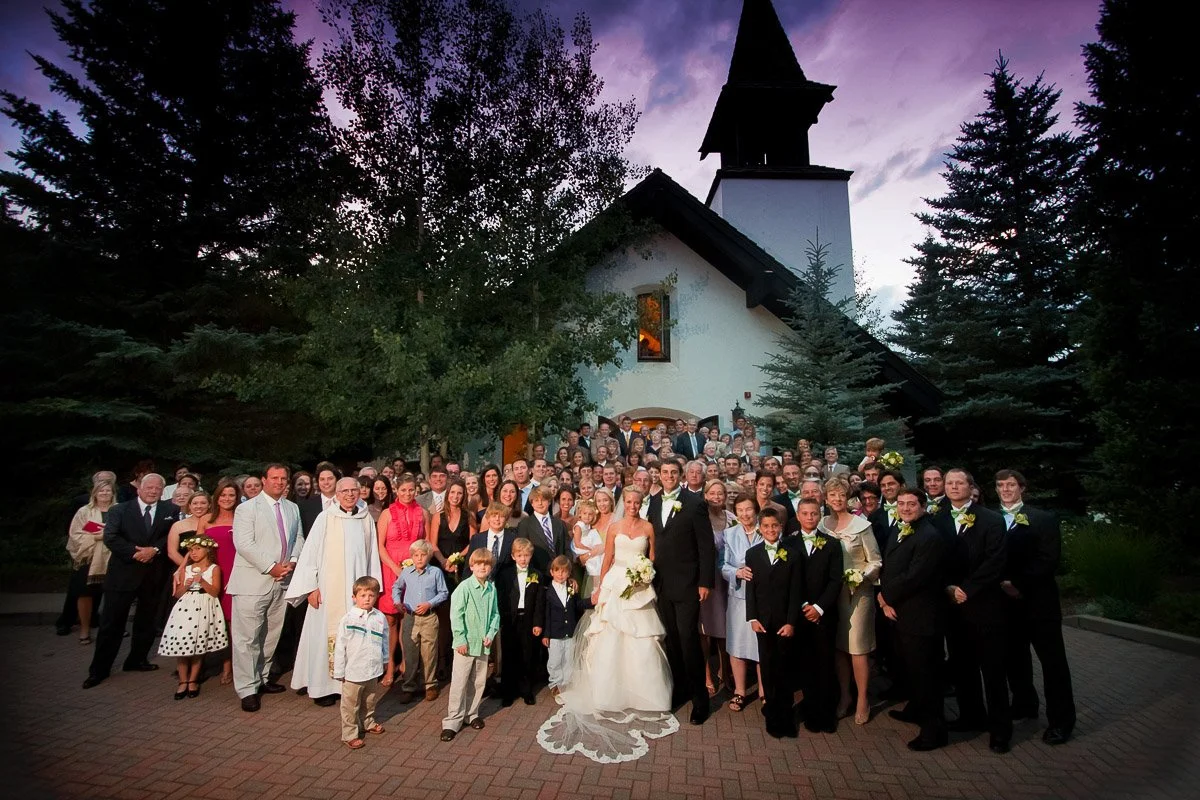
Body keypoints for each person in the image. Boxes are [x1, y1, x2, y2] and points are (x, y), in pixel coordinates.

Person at [995, 469, 1076, 745]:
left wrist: (1017, 583)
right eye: (1001, 485)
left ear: (1022, 488)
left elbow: (1048, 559)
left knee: (1053, 664)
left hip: (1039, 603)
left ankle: (1061, 721)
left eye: (1011, 485)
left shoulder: (1043, 519)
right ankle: (1024, 704)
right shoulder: (991, 519)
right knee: (1015, 660)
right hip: (1006, 605)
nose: (1006, 490)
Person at [286, 477, 383, 706]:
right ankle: (322, 687)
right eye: (345, 491)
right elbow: (310, 553)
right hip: (328, 590)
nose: (350, 494)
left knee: (354, 635)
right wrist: (311, 586)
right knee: (325, 635)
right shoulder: (326, 517)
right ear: (337, 494)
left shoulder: (365, 518)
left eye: (354, 490)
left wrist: (373, 588)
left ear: (360, 493)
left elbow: (371, 555)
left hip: (357, 592)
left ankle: (347, 684)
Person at [934, 468, 1012, 754]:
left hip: (984, 605)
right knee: (962, 666)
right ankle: (971, 716)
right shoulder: (937, 520)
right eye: (949, 483)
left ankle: (1000, 730)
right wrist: (948, 588)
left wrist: (968, 588)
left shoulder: (991, 519)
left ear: (970, 487)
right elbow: (934, 560)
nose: (953, 487)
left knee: (992, 669)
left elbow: (995, 560)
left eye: (959, 482)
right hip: (952, 606)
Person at [83, 473, 178, 689]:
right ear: (139, 489)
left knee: (146, 622)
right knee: (111, 624)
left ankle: (136, 660)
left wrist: (154, 550)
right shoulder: (120, 510)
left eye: (157, 488)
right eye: (149, 487)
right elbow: (111, 537)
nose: (153, 491)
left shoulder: (169, 511)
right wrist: (135, 553)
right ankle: (99, 670)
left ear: (163, 491)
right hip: (123, 575)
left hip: (152, 577)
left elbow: (171, 537)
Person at [227, 464, 303, 711]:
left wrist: (292, 562)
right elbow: (244, 543)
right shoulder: (247, 508)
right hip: (253, 581)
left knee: (271, 634)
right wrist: (271, 567)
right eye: (274, 478)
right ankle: (247, 689)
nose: (279, 482)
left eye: (283, 478)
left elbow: (298, 538)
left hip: (282, 581)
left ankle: (262, 678)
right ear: (264, 480)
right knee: (247, 638)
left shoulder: (291, 507)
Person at [879, 487, 949, 751]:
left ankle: (934, 730)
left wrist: (885, 596)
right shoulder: (901, 528)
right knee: (911, 669)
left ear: (923, 506)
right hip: (901, 612)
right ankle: (915, 708)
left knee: (926, 673)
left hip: (920, 615)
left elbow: (915, 576)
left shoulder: (929, 536)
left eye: (911, 504)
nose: (905, 508)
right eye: (901, 503)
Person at [647, 459, 714, 725]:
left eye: (674, 472)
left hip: (687, 584)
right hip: (661, 584)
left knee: (688, 640)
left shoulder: (695, 503)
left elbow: (706, 546)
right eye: (665, 472)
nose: (669, 476)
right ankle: (679, 691)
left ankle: (701, 700)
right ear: (659, 476)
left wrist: (705, 581)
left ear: (681, 475)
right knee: (672, 641)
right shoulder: (652, 502)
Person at [819, 479, 882, 725]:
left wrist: (860, 577)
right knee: (838, 647)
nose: (837, 499)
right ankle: (844, 695)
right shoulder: (823, 525)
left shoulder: (861, 525)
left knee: (857, 647)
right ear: (826, 498)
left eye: (841, 495)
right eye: (832, 495)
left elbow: (875, 561)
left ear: (848, 498)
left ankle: (862, 698)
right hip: (831, 595)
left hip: (857, 594)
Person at [745, 507, 802, 738]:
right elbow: (751, 588)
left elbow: (796, 590)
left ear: (781, 527)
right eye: (766, 526)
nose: (770, 530)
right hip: (763, 621)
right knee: (767, 666)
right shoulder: (753, 553)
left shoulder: (792, 553)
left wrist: (791, 622)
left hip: (783, 621)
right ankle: (771, 713)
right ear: (760, 528)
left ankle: (786, 714)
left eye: (774, 526)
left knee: (784, 667)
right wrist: (752, 617)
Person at [792, 498, 843, 734]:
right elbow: (789, 580)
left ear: (820, 515)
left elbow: (835, 580)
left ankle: (826, 713)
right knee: (805, 664)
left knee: (825, 663)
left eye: (814, 514)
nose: (810, 517)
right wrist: (804, 605)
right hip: (800, 614)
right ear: (798, 515)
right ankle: (810, 709)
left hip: (824, 614)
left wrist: (819, 607)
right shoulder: (788, 543)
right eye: (805, 513)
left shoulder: (832, 544)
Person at [440, 548, 501, 742]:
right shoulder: (464, 588)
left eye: (487, 564)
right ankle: (452, 720)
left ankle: (471, 713)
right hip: (465, 644)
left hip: (483, 644)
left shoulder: (491, 589)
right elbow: (456, 615)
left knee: (478, 680)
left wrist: (491, 633)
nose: (483, 567)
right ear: (472, 566)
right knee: (460, 682)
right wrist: (460, 639)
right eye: (479, 564)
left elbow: (495, 614)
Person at [158, 534, 228, 699]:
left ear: (207, 549)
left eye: (197, 549)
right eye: (191, 550)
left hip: (204, 607)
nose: (194, 553)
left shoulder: (213, 568)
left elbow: (215, 591)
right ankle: (182, 681)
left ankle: (193, 680)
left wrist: (202, 582)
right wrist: (187, 585)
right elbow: (178, 594)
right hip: (186, 608)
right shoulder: (186, 569)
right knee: (183, 644)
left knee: (198, 644)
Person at [377, 475, 427, 684]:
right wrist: (396, 569)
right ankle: (390, 666)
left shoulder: (423, 513)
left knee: (408, 619)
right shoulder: (387, 514)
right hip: (391, 569)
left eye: (411, 490)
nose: (407, 494)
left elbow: (426, 543)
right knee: (390, 620)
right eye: (403, 490)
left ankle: (407, 663)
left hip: (415, 569)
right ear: (396, 490)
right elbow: (380, 546)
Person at [333, 576, 390, 750]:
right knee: (350, 705)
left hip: (372, 669)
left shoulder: (379, 617)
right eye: (363, 595)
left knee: (370, 700)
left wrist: (385, 660)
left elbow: (385, 640)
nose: (367, 599)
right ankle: (349, 733)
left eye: (371, 595)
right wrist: (339, 671)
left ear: (376, 597)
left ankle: (368, 722)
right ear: (354, 597)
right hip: (353, 672)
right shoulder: (348, 619)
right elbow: (340, 646)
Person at [392, 539, 449, 704]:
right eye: (416, 555)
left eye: (423, 555)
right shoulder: (406, 572)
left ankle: (430, 685)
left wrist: (429, 603)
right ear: (412, 556)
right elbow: (397, 587)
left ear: (429, 556)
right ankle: (408, 686)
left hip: (429, 617)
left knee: (429, 652)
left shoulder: (435, 573)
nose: (419, 558)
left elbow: (443, 592)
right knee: (410, 653)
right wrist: (397, 601)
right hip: (410, 618)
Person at [721, 494, 762, 712]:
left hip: (763, 597)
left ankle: (764, 691)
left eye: (748, 509)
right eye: (740, 510)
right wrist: (736, 571)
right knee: (737, 643)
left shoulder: (767, 529)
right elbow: (723, 565)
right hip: (738, 596)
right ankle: (740, 690)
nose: (745, 514)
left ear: (756, 510)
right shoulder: (729, 534)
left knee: (761, 644)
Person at [431, 479, 475, 681]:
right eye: (453, 493)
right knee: (443, 619)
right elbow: (433, 544)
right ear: (447, 494)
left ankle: (459, 661)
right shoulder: (438, 517)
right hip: (441, 570)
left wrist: (457, 558)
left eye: (460, 493)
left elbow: (472, 542)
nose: (456, 496)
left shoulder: (469, 516)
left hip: (460, 570)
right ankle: (441, 664)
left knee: (458, 617)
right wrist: (443, 561)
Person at [494, 538, 546, 706]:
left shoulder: (536, 575)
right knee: (509, 654)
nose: (523, 559)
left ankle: (527, 690)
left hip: (529, 619)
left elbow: (539, 601)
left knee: (527, 654)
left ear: (531, 556)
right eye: (519, 555)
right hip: (510, 619)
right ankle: (508, 691)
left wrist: (538, 622)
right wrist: (501, 619)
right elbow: (501, 598)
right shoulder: (505, 574)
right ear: (513, 556)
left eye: (526, 555)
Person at [65, 479, 115, 646]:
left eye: (108, 491)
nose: (104, 494)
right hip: (89, 559)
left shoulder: (119, 511)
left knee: (113, 595)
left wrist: (107, 535)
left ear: (112, 493)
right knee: (85, 594)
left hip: (113, 559)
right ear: (94, 493)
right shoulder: (84, 512)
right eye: (101, 491)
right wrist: (98, 536)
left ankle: (113, 628)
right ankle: (84, 629)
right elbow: (75, 535)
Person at [541, 555, 594, 701]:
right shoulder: (547, 591)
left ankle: (567, 682)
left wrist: (592, 601)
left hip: (569, 631)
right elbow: (546, 614)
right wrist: (546, 634)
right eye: (557, 571)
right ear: (552, 572)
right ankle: (555, 683)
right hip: (554, 632)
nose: (560, 574)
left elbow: (577, 605)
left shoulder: (571, 588)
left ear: (569, 573)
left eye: (564, 572)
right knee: (555, 660)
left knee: (569, 658)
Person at [205, 477, 239, 684]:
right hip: (213, 574)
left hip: (235, 575)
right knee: (216, 622)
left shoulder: (241, 517)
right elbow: (195, 550)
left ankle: (234, 666)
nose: (227, 498)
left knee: (234, 623)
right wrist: (182, 569)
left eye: (231, 495)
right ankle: (221, 663)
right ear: (216, 498)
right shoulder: (206, 519)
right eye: (223, 495)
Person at [700, 479, 732, 697]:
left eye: (720, 493)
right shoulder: (701, 519)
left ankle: (725, 670)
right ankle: (707, 675)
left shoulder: (732, 519)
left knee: (725, 629)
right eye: (712, 493)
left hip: (727, 581)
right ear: (705, 495)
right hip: (706, 579)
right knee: (704, 630)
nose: (717, 497)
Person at [516, 485, 570, 572]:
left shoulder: (559, 523)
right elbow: (523, 551)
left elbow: (567, 550)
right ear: (532, 503)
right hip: (537, 575)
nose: (540, 503)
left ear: (549, 501)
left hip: (560, 573)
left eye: (543, 500)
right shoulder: (525, 524)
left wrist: (567, 572)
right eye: (536, 500)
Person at [467, 503, 517, 575]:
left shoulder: (513, 539)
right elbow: (468, 565)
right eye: (494, 516)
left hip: (506, 584)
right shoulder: (477, 539)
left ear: (506, 520)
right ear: (488, 519)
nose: (497, 519)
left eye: (501, 516)